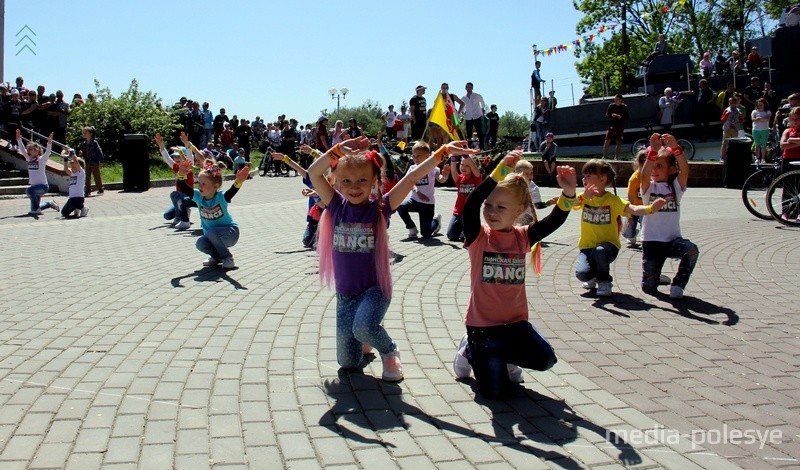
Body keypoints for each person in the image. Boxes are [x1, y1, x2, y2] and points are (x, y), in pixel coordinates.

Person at [308, 136, 479, 382]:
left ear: (375, 182)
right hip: (345, 296)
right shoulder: (336, 206)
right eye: (346, 181)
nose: (354, 186)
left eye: (362, 180)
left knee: (363, 326)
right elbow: (315, 174)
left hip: (374, 291)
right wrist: (335, 151)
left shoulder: (380, 207)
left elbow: (411, 178)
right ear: (336, 182)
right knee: (348, 363)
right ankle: (365, 337)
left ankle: (389, 350)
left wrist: (441, 153)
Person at [451, 151, 578, 399]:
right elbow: (472, 203)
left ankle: (503, 356)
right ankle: (469, 348)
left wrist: (569, 193)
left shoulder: (522, 237)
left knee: (546, 360)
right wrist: (499, 171)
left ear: (519, 210)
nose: (491, 211)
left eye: (501, 207)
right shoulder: (479, 236)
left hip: (515, 326)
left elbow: (555, 221)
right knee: (495, 393)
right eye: (489, 205)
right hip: (482, 327)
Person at [573, 159, 667, 297]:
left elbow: (633, 208)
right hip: (587, 246)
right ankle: (593, 276)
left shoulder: (613, 200)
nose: (584, 179)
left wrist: (650, 208)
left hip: (608, 247)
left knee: (599, 252)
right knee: (582, 274)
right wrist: (583, 197)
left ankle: (604, 281)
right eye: (584, 175)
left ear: (602, 179)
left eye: (589, 175)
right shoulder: (585, 197)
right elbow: (570, 204)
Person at [640, 133, 698, 299]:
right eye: (654, 166)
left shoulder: (675, 187)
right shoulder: (648, 188)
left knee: (692, 250)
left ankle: (678, 283)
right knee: (649, 288)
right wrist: (653, 151)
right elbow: (644, 175)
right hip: (651, 242)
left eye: (660, 166)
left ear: (671, 169)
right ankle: (656, 277)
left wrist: (676, 149)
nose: (655, 170)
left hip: (673, 241)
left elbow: (685, 170)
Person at [176, 156, 250, 270]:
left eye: (204, 184)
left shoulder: (221, 197)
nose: (200, 187)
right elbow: (182, 186)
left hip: (230, 234)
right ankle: (217, 258)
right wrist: (181, 174)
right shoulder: (198, 197)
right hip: (212, 235)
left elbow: (231, 192)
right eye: (199, 183)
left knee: (211, 233)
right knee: (200, 243)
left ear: (215, 186)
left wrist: (238, 182)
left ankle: (227, 258)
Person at [396, 140, 450, 239]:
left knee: (426, 234)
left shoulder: (433, 168)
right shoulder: (412, 168)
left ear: (427, 156)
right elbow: (410, 182)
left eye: (419, 156)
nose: (415, 158)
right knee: (401, 207)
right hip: (415, 200)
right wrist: (418, 192)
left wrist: (445, 176)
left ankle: (436, 221)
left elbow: (441, 179)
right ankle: (411, 228)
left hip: (428, 204)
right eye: (414, 156)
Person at [156, 132, 195, 230]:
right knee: (167, 216)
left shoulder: (189, 166)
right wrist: (161, 145)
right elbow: (167, 158)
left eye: (179, 156)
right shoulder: (176, 167)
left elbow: (190, 157)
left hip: (187, 196)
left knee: (173, 194)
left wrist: (186, 143)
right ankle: (183, 211)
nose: (176, 159)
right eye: (175, 157)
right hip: (178, 198)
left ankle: (180, 217)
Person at [18, 129, 59, 216]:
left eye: (31, 149)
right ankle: (49, 204)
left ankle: (36, 209)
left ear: (37, 150)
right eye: (28, 150)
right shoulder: (29, 159)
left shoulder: (41, 159)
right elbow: (22, 150)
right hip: (34, 187)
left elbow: (48, 152)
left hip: (42, 187)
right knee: (35, 209)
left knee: (29, 191)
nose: (29, 151)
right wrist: (18, 139)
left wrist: (49, 142)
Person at [445, 154, 482, 242]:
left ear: (473, 167)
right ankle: (463, 230)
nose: (463, 167)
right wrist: (453, 159)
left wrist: (466, 155)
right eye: (462, 164)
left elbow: (474, 168)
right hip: (458, 212)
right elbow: (453, 171)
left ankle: (468, 232)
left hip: (470, 213)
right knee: (451, 236)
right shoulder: (460, 179)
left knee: (466, 220)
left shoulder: (477, 178)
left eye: (467, 165)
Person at [513, 159, 557, 226]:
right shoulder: (512, 184)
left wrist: (549, 203)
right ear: (518, 174)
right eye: (526, 174)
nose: (530, 176)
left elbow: (537, 205)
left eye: (531, 173)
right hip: (511, 215)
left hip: (527, 217)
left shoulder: (533, 187)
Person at [778, 107, 800, 221]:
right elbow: (783, 145)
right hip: (788, 160)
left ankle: (798, 213)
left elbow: (788, 143)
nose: (795, 121)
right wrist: (797, 142)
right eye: (793, 119)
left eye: (798, 119)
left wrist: (791, 141)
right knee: (788, 187)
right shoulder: (787, 131)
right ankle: (785, 212)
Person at [622, 151, 648, 246]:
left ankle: (645, 235)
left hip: (645, 207)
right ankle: (631, 233)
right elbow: (630, 198)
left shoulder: (651, 177)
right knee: (630, 234)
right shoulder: (634, 179)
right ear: (639, 164)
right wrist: (629, 215)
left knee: (645, 224)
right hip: (634, 207)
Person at [60, 150, 89, 218]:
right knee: (64, 213)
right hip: (71, 197)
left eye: (74, 166)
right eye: (72, 166)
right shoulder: (72, 174)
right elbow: (66, 169)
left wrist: (73, 153)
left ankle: (83, 208)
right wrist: (65, 159)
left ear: (80, 166)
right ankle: (76, 208)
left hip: (78, 197)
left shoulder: (81, 173)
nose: (72, 168)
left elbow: (76, 161)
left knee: (74, 201)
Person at [459, 82, 486, 150]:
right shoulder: (463, 98)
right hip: (468, 117)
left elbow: (482, 103)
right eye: (468, 87)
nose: (469, 89)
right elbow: (463, 108)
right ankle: (469, 148)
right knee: (469, 134)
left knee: (479, 133)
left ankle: (481, 148)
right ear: (465, 88)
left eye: (470, 87)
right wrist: (461, 115)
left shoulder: (477, 96)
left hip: (477, 116)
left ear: (472, 88)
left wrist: (482, 109)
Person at [79, 126, 104, 196]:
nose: (84, 134)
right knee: (87, 176)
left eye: (85, 133)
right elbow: (84, 152)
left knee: (96, 175)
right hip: (87, 161)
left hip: (94, 161)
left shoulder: (94, 143)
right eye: (83, 133)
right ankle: (88, 190)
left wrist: (101, 160)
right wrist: (82, 153)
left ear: (91, 134)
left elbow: (99, 151)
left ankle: (100, 189)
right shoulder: (84, 143)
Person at [603, 94, 629, 159]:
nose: (615, 100)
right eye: (614, 99)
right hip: (612, 125)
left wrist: (621, 117)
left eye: (617, 99)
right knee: (607, 140)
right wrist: (611, 115)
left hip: (620, 125)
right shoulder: (611, 106)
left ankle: (616, 157)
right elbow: (606, 115)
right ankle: (605, 156)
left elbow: (627, 117)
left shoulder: (624, 107)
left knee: (619, 141)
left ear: (620, 100)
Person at [720, 96, 744, 162]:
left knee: (735, 143)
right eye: (730, 103)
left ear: (735, 103)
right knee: (724, 143)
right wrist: (726, 115)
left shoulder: (739, 111)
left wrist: (741, 116)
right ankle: (722, 157)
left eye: (733, 103)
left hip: (735, 128)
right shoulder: (726, 110)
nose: (731, 104)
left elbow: (741, 121)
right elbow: (722, 120)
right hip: (727, 128)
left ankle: (734, 157)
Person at [751, 98, 772, 163]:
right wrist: (760, 119)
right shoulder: (754, 111)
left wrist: (760, 119)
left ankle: (763, 158)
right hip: (756, 130)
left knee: (763, 144)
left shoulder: (767, 111)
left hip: (764, 130)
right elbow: (753, 119)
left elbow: (767, 119)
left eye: (761, 105)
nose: (759, 106)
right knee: (757, 144)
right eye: (758, 105)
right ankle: (757, 158)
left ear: (764, 105)